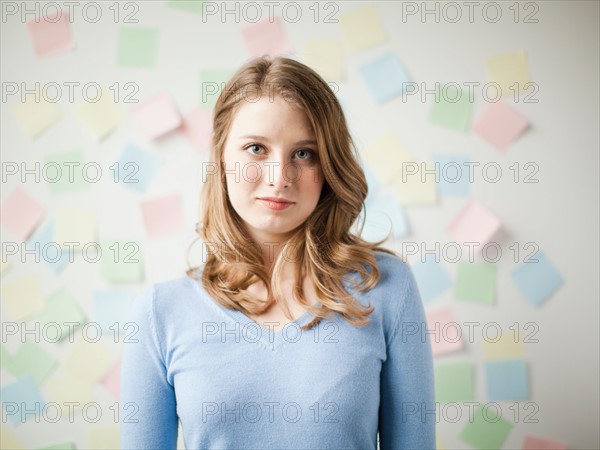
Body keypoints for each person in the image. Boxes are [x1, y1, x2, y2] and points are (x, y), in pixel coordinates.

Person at [120, 55, 435, 449]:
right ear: (221, 158)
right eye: (255, 148)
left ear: (328, 164)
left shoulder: (387, 288)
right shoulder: (159, 313)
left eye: (304, 153)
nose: (279, 178)